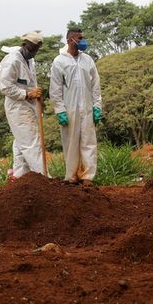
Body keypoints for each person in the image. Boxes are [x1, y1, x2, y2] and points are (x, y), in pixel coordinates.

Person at [49, 28, 102, 186]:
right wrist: (60, 111)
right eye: (79, 38)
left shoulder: (88, 61)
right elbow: (55, 89)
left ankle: (87, 177)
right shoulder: (59, 61)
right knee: (71, 142)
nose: (83, 42)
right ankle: (71, 176)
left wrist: (97, 106)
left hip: (87, 108)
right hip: (69, 109)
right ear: (70, 40)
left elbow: (95, 85)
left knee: (89, 142)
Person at [0, 31, 47, 178]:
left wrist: (35, 96)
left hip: (29, 106)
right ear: (24, 44)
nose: (34, 53)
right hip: (17, 107)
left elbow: (30, 83)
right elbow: (4, 86)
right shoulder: (12, 61)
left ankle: (20, 177)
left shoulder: (30, 60)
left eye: (36, 50)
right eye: (32, 49)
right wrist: (27, 94)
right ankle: (43, 178)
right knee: (31, 143)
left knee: (20, 144)